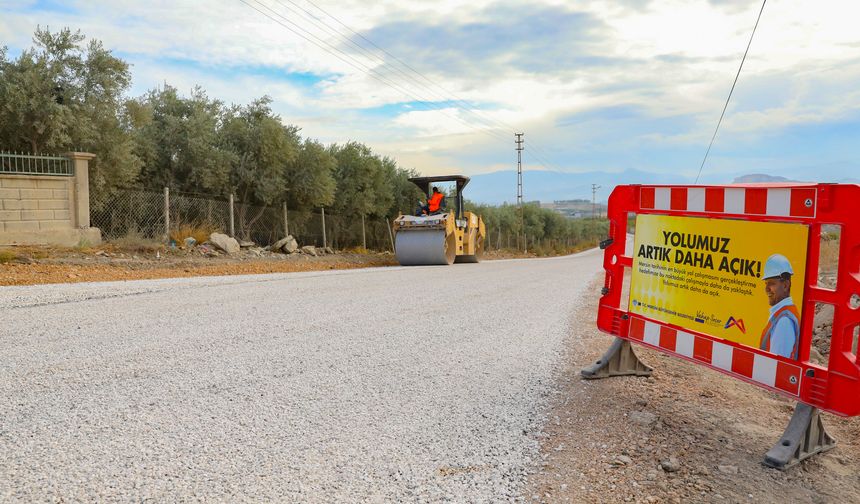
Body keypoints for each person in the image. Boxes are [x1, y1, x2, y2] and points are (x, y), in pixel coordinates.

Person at [758, 254, 800, 359]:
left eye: (771, 283)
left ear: (785, 285)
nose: (767, 289)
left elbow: (776, 365)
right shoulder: (781, 314)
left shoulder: (784, 321)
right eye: (766, 283)